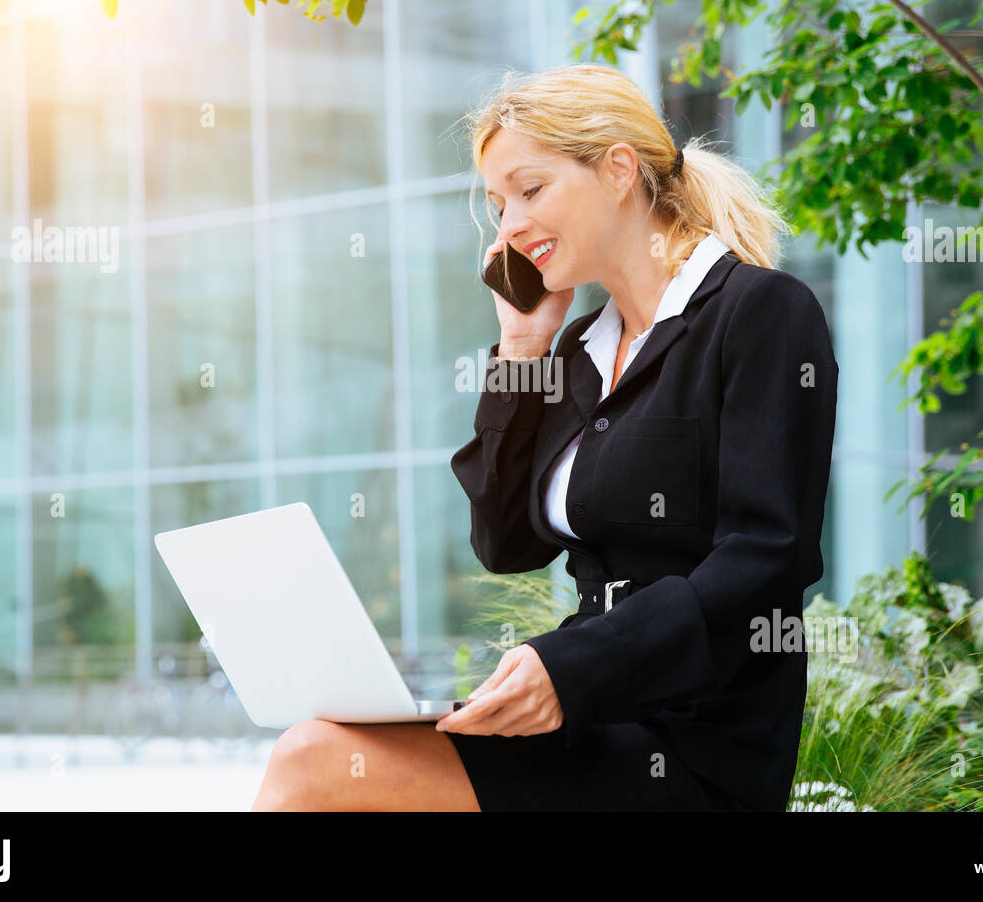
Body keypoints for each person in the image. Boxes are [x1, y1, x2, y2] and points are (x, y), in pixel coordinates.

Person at [251, 63, 838, 812]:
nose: (511, 227)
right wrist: (521, 351)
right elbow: (506, 543)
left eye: (530, 191)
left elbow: (766, 559)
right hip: (583, 715)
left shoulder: (760, 313)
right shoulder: (576, 354)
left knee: (317, 765)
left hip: (694, 743)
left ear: (619, 170)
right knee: (321, 749)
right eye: (499, 205)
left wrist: (568, 667)